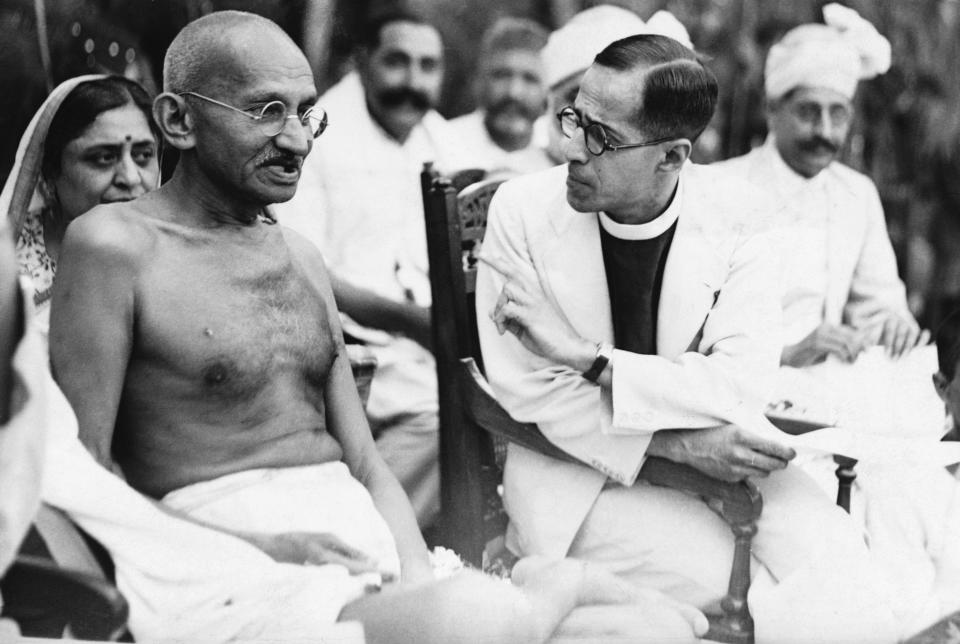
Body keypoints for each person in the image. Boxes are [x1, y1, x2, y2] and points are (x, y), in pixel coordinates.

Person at [46, 11, 707, 643]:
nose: (298, 139)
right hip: (222, 568)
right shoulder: (114, 247)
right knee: (479, 617)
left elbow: (364, 460)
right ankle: (549, 589)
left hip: (358, 548)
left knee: (652, 632)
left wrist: (414, 571)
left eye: (307, 113)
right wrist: (258, 548)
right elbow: (84, 471)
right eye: (267, 111)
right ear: (178, 120)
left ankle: (507, 603)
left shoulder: (299, 256)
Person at [476, 33, 905, 642]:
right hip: (575, 477)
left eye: (601, 136)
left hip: (723, 456)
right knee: (754, 588)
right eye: (574, 117)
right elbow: (530, 393)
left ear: (673, 158)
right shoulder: (520, 210)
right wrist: (678, 445)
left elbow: (737, 382)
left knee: (843, 566)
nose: (569, 146)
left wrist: (589, 360)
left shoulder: (743, 215)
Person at [275, 8, 473, 528]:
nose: (413, 82)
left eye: (428, 66)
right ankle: (364, 539)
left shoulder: (441, 140)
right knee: (444, 418)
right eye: (397, 62)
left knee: (458, 415)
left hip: (418, 358)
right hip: (332, 345)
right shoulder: (315, 136)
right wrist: (414, 322)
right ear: (362, 61)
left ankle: (367, 536)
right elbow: (303, 268)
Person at [715, 3, 926, 367]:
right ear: (772, 110)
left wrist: (893, 327)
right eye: (808, 112)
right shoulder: (721, 187)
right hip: (741, 387)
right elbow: (695, 332)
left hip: (827, 390)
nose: (825, 132)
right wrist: (786, 353)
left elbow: (878, 307)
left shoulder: (856, 194)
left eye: (837, 114)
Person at [6, 75, 160, 330]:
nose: (131, 178)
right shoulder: (9, 260)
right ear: (50, 174)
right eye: (103, 158)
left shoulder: (175, 257)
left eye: (143, 155)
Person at [533, 5, 693, 164]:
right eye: (575, 96)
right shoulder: (518, 178)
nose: (590, 114)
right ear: (548, 102)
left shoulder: (678, 181)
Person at [449, 17, 553, 175]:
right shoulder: (445, 143)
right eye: (502, 75)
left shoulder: (558, 150)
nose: (514, 92)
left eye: (530, 79)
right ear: (480, 79)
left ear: (548, 88)